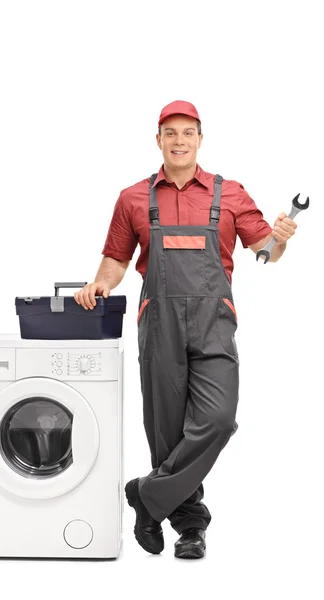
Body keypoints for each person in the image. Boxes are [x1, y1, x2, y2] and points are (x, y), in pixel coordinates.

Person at [74, 100, 298, 560]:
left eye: (188, 133)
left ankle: (147, 495)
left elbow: (264, 253)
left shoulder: (230, 193)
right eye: (170, 133)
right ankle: (190, 527)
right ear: (158, 139)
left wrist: (280, 239)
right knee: (167, 430)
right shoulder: (133, 197)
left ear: (200, 139)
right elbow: (117, 259)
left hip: (214, 322)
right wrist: (100, 282)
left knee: (217, 419)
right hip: (159, 323)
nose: (180, 141)